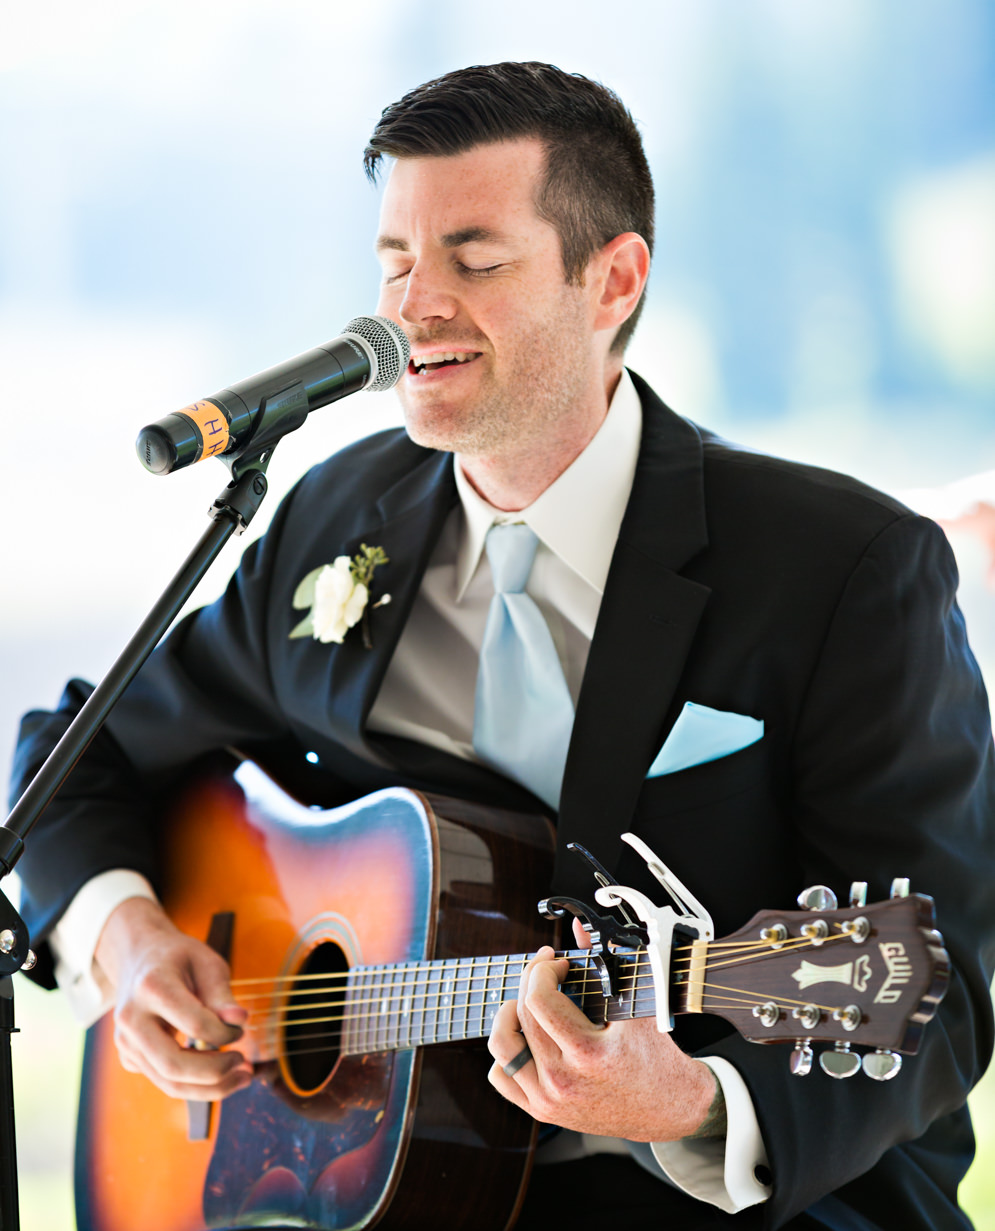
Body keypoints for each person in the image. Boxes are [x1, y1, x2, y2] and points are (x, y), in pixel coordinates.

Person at [9, 62, 995, 1230]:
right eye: (393, 262)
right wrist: (128, 946)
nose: (410, 305)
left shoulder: (843, 565)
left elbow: (935, 987)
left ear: (611, 280)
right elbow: (75, 755)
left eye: (472, 260)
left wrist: (690, 1101)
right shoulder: (337, 516)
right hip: (370, 1183)